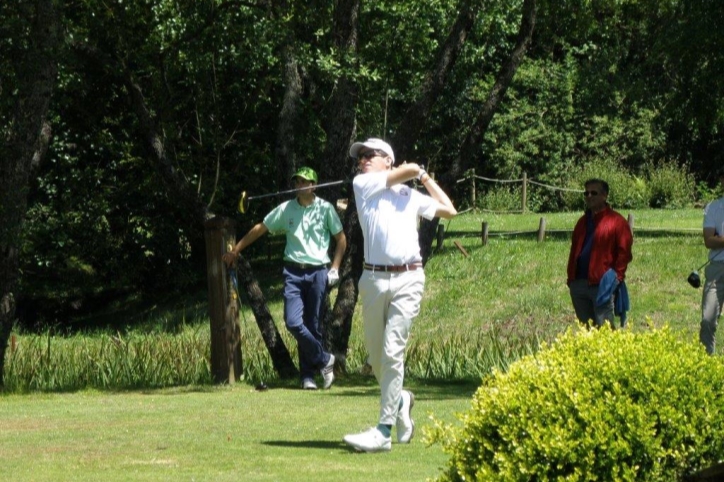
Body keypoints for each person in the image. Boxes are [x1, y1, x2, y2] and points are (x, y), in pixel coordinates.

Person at [342, 138, 457, 452]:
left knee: (392, 352)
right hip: (373, 280)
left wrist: (425, 178)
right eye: (360, 156)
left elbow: (450, 210)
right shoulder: (363, 184)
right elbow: (404, 170)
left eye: (370, 155)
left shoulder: (410, 195)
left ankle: (382, 431)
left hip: (409, 278)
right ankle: (402, 399)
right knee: (377, 358)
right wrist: (413, 169)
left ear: (386, 160)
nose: (362, 159)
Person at [222, 166, 346, 389]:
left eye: (303, 182)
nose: (299, 186)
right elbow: (261, 228)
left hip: (318, 271)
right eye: (297, 182)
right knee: (293, 322)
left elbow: (342, 240)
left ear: (313, 185)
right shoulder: (287, 209)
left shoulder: (325, 209)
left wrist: (335, 268)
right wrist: (235, 250)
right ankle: (325, 359)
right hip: (293, 272)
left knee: (312, 326)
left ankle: (308, 377)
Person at [566, 178, 633, 328]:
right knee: (586, 331)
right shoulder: (582, 222)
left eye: (593, 193)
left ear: (604, 195)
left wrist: (616, 277)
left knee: (605, 331)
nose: (589, 196)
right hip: (579, 284)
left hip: (602, 285)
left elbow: (624, 253)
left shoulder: (617, 222)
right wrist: (571, 280)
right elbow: (574, 251)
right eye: (586, 193)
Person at [699, 168, 724, 355]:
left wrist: (720, 238)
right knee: (708, 319)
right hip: (717, 270)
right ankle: (706, 363)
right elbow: (709, 240)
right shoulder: (714, 207)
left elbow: (716, 238)